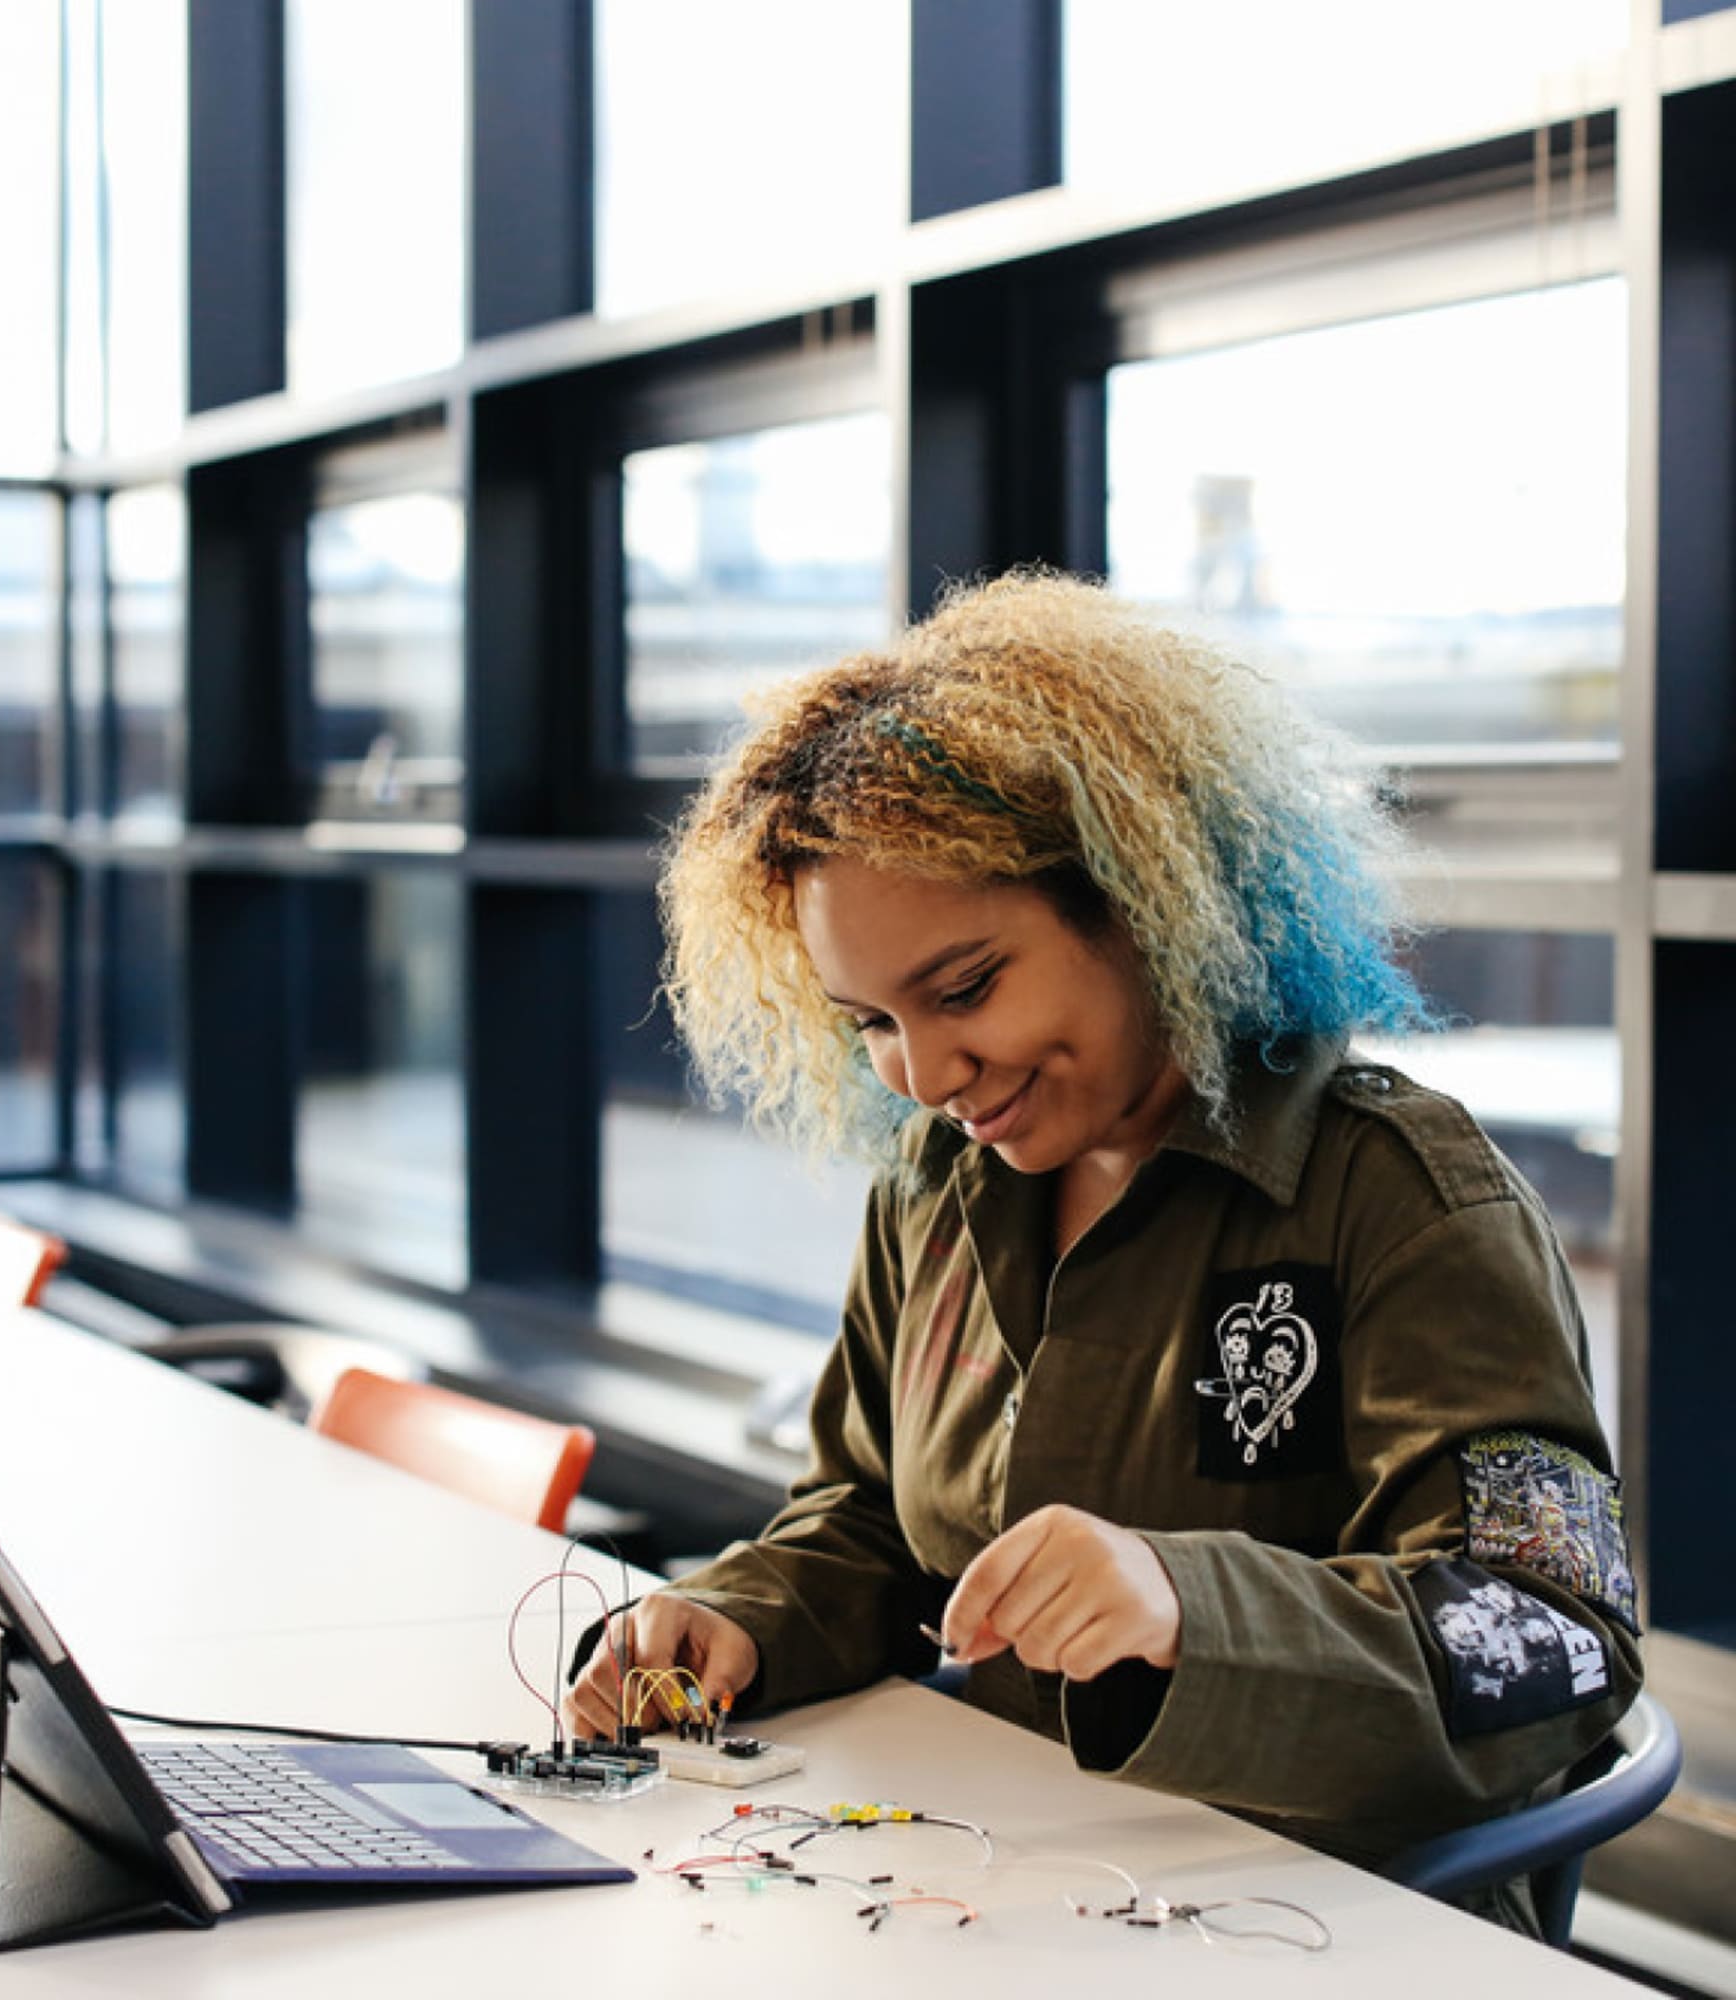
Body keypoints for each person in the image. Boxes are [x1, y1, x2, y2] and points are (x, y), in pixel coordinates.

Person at [565, 570, 1642, 1931]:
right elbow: (860, 1519)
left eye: (964, 989)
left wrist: (1189, 1605)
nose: (925, 1070)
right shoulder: (940, 1187)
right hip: (1022, 1890)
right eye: (870, 1024)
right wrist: (738, 1617)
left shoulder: (1408, 1203)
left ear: (1145, 897)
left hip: (1324, 1924)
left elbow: (1553, 1636)